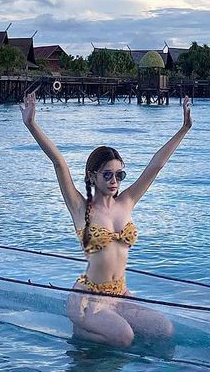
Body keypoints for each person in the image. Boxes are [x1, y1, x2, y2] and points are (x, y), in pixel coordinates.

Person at [20, 90, 193, 348]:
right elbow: (59, 163)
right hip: (88, 298)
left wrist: (184, 128)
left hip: (121, 294)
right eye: (107, 175)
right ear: (92, 177)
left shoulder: (127, 201)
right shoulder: (81, 208)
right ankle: (80, 332)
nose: (114, 181)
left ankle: (104, 336)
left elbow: (156, 166)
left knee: (163, 330)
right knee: (124, 337)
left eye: (119, 175)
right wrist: (31, 124)